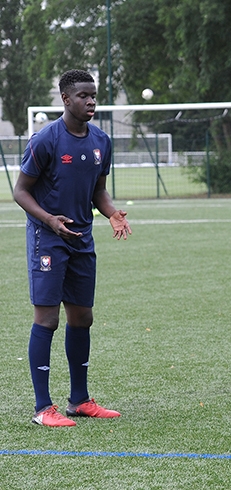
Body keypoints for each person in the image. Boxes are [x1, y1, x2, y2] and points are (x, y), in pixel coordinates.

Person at [13, 69, 131, 427]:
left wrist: (111, 213)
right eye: (83, 95)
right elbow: (21, 191)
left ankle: (79, 401)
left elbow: (98, 190)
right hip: (48, 238)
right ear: (65, 99)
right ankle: (41, 408)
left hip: (81, 238)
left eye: (93, 95)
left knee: (82, 317)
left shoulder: (101, 141)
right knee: (47, 319)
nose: (91, 101)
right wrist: (49, 220)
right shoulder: (46, 140)